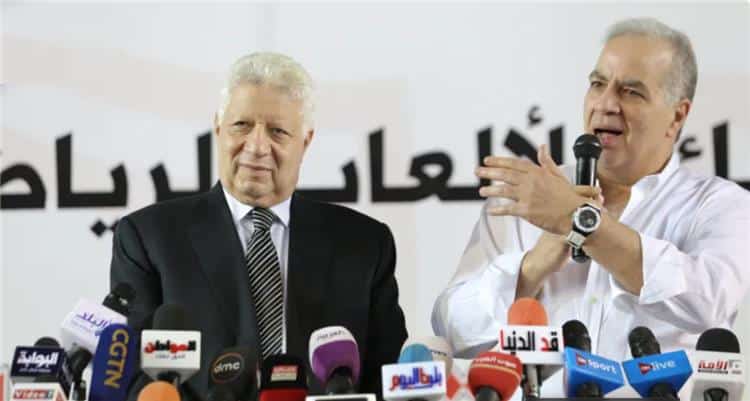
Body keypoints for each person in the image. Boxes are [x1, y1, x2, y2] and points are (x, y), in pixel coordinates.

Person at [432, 17, 750, 365]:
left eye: (631, 92)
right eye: (598, 84)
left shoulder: (720, 204)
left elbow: (708, 302)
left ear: (677, 116)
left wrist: (579, 222)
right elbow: (452, 330)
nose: (606, 103)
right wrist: (530, 269)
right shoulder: (528, 200)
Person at [111, 52, 408, 400]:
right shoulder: (149, 239)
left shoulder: (364, 244)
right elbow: (132, 380)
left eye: (277, 131)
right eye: (242, 125)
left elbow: (388, 376)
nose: (256, 146)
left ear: (305, 141)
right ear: (218, 128)